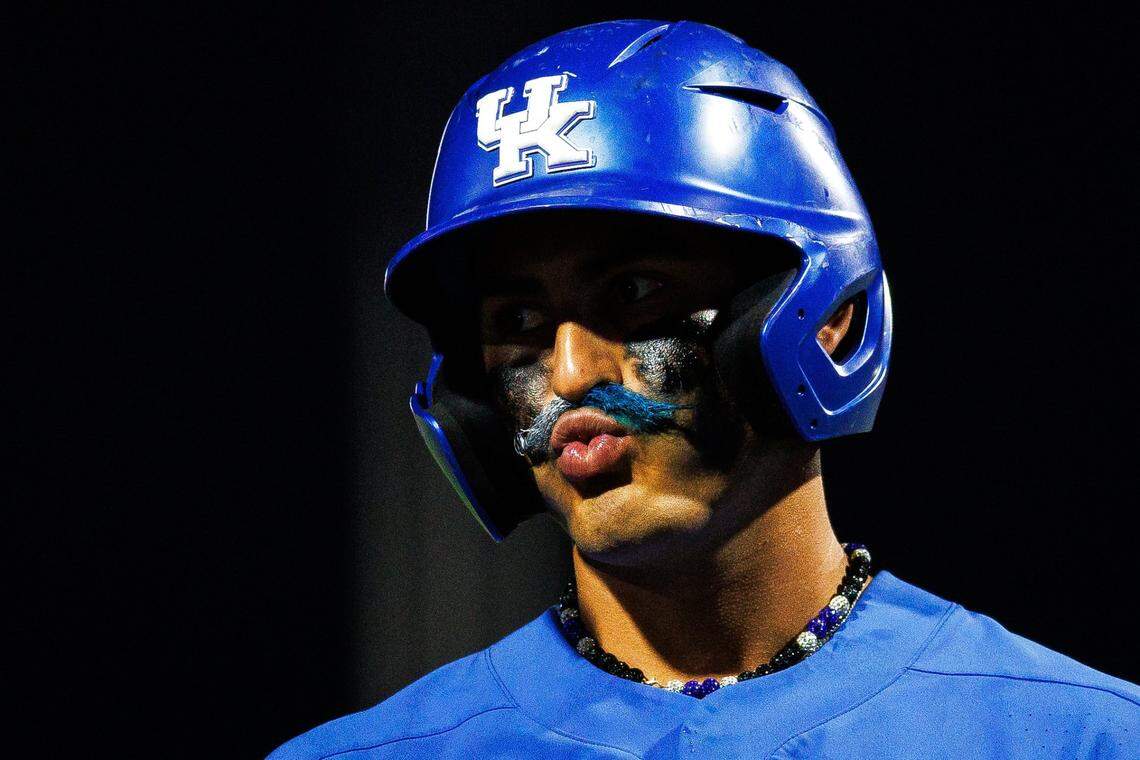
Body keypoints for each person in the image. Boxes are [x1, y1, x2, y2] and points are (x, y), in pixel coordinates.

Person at [271, 19, 1138, 758]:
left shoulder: (1079, 739)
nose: (570, 375)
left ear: (822, 315)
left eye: (636, 293)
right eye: (521, 322)